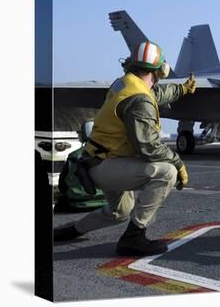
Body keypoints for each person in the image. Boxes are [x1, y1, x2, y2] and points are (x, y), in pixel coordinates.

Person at [54, 41, 197, 256]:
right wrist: (178, 162)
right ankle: (134, 238)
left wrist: (182, 89)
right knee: (167, 172)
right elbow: (148, 147)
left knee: (120, 212)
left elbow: (154, 96)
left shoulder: (125, 84)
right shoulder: (140, 99)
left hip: (97, 160)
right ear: (161, 70)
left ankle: (70, 230)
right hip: (106, 165)